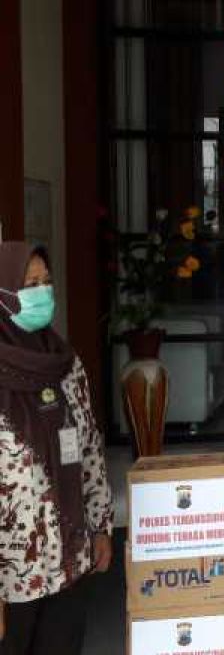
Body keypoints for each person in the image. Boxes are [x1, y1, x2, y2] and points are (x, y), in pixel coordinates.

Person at [0, 243, 114, 655]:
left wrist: (101, 526)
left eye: (46, 282)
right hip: (13, 573)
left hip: (69, 556)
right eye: (30, 284)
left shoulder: (66, 365)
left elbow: (90, 452)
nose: (42, 292)